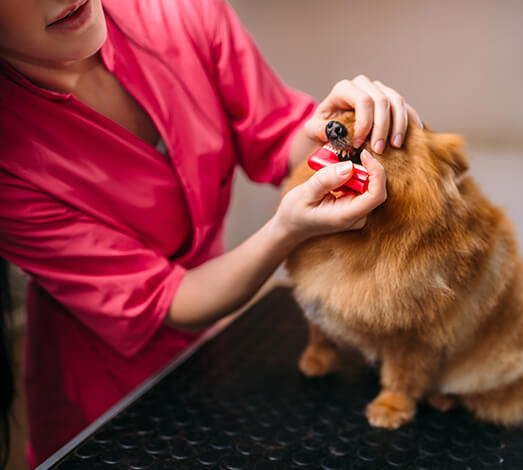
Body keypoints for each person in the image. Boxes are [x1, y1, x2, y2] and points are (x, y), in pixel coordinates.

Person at [0, 0, 421, 466]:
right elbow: (167, 301)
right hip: (102, 393)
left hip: (217, 349)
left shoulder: (179, 11)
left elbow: (279, 137)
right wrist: (285, 230)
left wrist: (336, 128)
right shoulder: (6, 161)